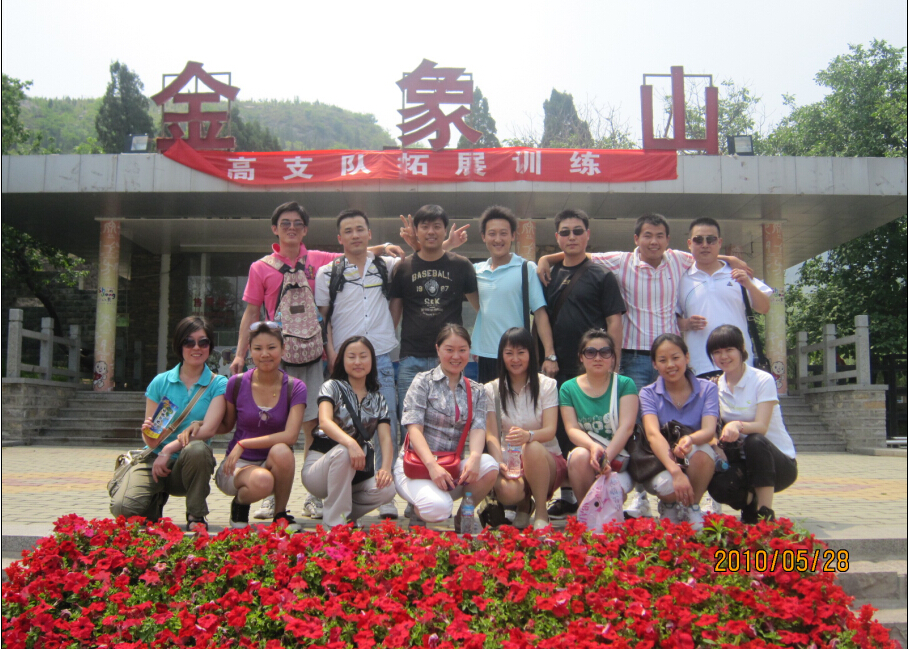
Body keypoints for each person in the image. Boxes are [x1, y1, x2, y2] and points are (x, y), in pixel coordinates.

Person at [231, 201, 401, 521]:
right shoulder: (261, 267)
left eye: (298, 223)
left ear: (306, 229)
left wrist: (381, 247)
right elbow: (251, 313)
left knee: (313, 426)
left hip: (311, 357)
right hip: (274, 359)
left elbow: (353, 251)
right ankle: (270, 495)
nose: (291, 228)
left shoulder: (318, 260)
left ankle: (313, 496)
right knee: (275, 424)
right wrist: (241, 353)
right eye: (285, 223)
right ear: (275, 228)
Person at [315, 208, 402, 520]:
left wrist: (389, 329)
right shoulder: (327, 273)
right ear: (340, 238)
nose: (355, 235)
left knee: (387, 425)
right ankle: (331, 491)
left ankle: (384, 487)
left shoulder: (388, 266)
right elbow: (323, 318)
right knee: (340, 425)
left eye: (360, 229)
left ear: (369, 233)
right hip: (343, 360)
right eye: (348, 231)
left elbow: (422, 262)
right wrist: (331, 353)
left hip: (380, 358)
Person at [541, 208, 626, 519]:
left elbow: (614, 321)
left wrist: (613, 362)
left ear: (588, 235)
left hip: (595, 365)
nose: (572, 237)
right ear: (557, 237)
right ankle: (568, 495)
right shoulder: (548, 275)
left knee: (593, 425)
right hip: (557, 365)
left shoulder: (601, 275)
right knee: (562, 430)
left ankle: (605, 487)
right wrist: (549, 355)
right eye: (565, 232)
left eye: (578, 231)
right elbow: (541, 316)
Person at [110, 316, 227, 533]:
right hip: (155, 459)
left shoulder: (218, 384)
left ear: (210, 346)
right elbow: (152, 439)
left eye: (203, 342)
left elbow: (209, 429)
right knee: (123, 509)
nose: (196, 348)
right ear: (179, 345)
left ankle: (196, 514)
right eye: (189, 342)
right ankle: (154, 501)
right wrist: (149, 434)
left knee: (198, 449)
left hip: (188, 464)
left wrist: (169, 449)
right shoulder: (161, 382)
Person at [395, 324, 498, 533]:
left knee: (489, 465)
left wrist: (475, 456)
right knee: (439, 510)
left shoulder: (477, 390)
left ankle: (464, 515)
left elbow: (478, 428)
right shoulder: (422, 382)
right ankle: (419, 509)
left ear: (469, 351)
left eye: (462, 350)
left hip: (450, 467)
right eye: (449, 350)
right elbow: (414, 429)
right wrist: (432, 466)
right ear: (438, 349)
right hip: (417, 467)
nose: (456, 356)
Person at [214, 322, 305, 530]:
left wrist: (244, 443)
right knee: (263, 481)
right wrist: (196, 425)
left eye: (271, 347)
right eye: (258, 348)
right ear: (249, 351)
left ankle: (280, 515)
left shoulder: (295, 387)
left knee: (283, 451)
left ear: (283, 349)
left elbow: (290, 436)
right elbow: (226, 425)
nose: (265, 354)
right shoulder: (236, 383)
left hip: (271, 462)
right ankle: (240, 504)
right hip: (237, 465)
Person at [390, 205, 479, 413]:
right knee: (410, 421)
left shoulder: (462, 266)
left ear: (445, 230)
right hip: (411, 358)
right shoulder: (403, 268)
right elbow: (393, 317)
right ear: (416, 231)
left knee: (450, 421)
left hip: (450, 358)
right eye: (425, 226)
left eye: (437, 226)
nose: (431, 232)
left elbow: (480, 308)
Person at [301, 336, 396, 527]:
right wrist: (351, 443)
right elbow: (325, 422)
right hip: (320, 468)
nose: (358, 362)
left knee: (387, 489)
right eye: (351, 357)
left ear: (372, 361)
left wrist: (385, 468)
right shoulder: (332, 386)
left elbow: (386, 439)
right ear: (342, 361)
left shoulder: (378, 399)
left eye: (363, 356)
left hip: (355, 474)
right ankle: (335, 527)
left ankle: (340, 514)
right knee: (343, 452)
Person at [706, 325, 797, 523]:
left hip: (777, 464)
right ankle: (750, 504)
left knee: (755, 440)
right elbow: (710, 427)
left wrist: (737, 425)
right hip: (742, 462)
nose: (724, 356)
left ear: (742, 349)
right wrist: (716, 447)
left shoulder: (762, 379)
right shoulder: (714, 386)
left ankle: (765, 513)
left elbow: (761, 426)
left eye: (729, 350)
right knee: (718, 486)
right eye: (717, 352)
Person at [484, 328, 563, 531]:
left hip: (546, 459)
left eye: (521, 352)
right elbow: (492, 434)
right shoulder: (492, 389)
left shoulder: (547, 385)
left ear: (531, 354)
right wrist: (498, 462)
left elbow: (550, 430)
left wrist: (528, 436)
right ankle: (524, 504)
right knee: (507, 492)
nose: (515, 359)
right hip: (510, 460)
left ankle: (541, 513)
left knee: (532, 447)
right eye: (509, 353)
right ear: (501, 355)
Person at [638, 334, 718, 530]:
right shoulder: (648, 393)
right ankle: (669, 506)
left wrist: (690, 439)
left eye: (675, 357)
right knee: (668, 485)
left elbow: (709, 431)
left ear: (687, 357)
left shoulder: (708, 389)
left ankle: (692, 507)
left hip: (694, 455)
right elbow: (652, 434)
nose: (670, 365)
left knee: (701, 454)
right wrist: (676, 472)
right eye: (662, 360)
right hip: (660, 461)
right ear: (654, 364)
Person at [471, 206, 558, 383]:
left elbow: (540, 314)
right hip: (485, 356)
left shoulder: (526, 269)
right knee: (488, 401)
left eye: (503, 233)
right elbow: (482, 309)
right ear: (483, 237)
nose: (498, 239)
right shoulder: (476, 271)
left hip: (517, 356)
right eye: (492, 233)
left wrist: (550, 355)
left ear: (513, 236)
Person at [676, 218, 772, 378]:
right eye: (698, 240)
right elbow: (671, 318)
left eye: (711, 240)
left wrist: (749, 285)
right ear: (689, 243)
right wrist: (685, 324)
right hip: (699, 366)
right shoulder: (681, 279)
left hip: (739, 364)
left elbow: (764, 308)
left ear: (719, 242)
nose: (705, 245)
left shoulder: (737, 273)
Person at [559, 329, 639, 512]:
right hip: (589, 458)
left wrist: (605, 459)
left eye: (605, 352)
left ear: (613, 357)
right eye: (590, 352)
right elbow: (572, 429)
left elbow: (626, 427)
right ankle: (586, 514)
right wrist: (593, 447)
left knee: (609, 498)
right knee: (578, 456)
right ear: (581, 357)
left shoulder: (625, 384)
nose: (597, 358)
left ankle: (608, 517)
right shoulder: (568, 388)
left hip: (619, 461)